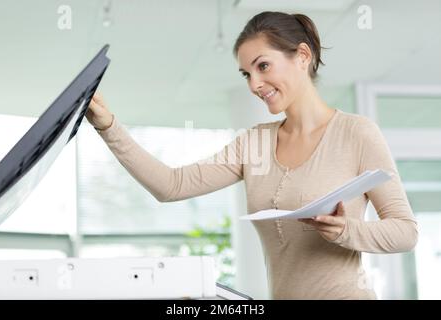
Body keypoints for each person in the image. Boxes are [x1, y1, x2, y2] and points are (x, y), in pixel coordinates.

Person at [85, 11, 418, 299]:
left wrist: (346, 230)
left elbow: (406, 232)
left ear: (302, 56)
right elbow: (171, 185)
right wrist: (109, 127)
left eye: (263, 66)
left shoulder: (357, 133)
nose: (254, 84)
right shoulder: (254, 143)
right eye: (247, 74)